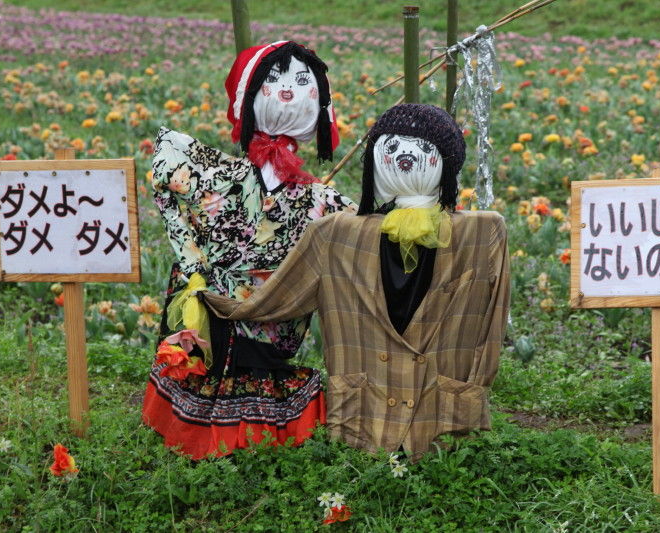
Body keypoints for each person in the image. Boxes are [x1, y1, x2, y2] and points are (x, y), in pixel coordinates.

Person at [202, 103, 510, 462]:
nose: (407, 157)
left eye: (423, 148)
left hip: (441, 419)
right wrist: (212, 301)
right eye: (392, 147)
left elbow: (493, 323)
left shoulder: (483, 233)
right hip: (364, 416)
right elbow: (278, 299)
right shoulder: (335, 234)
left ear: (447, 160)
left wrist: (474, 390)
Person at [142, 41, 355, 459]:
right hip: (216, 307)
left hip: (274, 314)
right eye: (274, 80)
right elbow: (167, 181)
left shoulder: (318, 199)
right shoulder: (220, 177)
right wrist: (192, 265)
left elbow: (357, 232)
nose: (288, 91)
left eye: (302, 82)